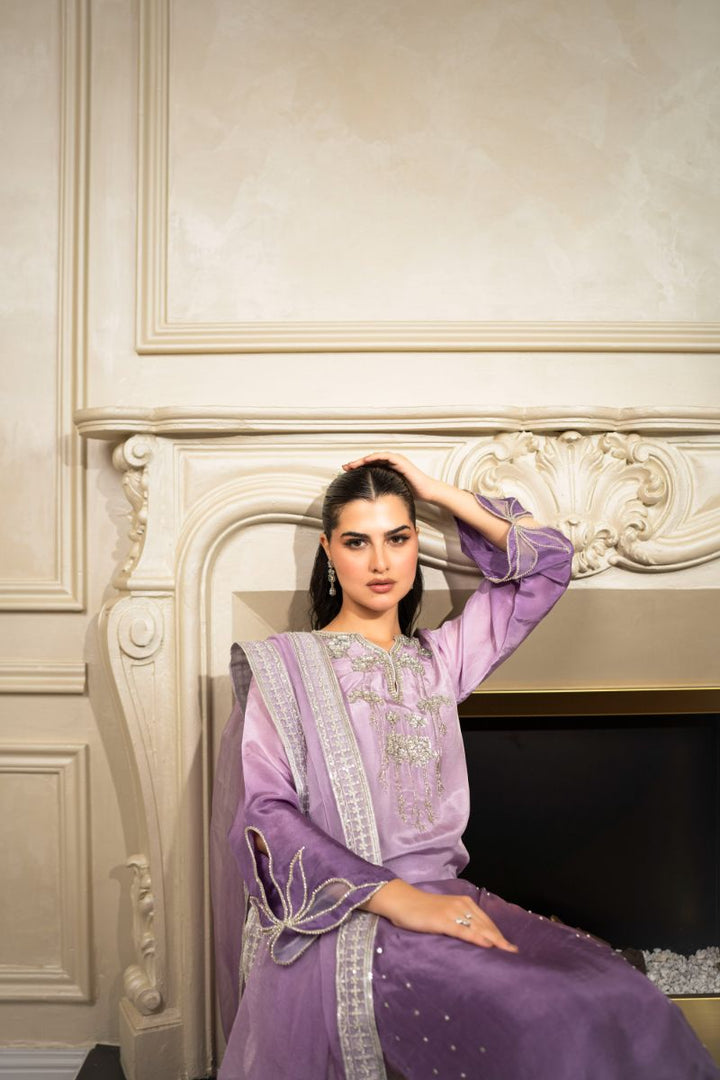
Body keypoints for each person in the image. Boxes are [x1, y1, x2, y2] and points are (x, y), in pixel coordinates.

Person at [211, 452, 719, 1080]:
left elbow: (549, 565)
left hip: (449, 898)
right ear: (328, 551)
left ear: (415, 545)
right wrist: (398, 900)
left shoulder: (440, 660)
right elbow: (265, 814)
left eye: (398, 538)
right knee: (548, 1012)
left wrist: (436, 491)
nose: (380, 562)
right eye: (357, 542)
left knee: (623, 993)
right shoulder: (286, 667)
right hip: (354, 914)